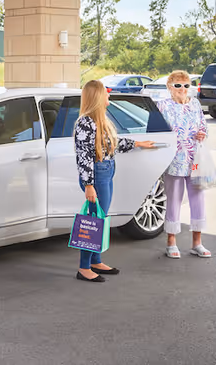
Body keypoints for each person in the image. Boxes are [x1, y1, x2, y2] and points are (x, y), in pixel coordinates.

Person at [74, 80, 155, 282]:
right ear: (97, 97)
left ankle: (95, 260)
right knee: (93, 221)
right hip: (97, 175)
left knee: (100, 219)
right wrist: (89, 185)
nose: (109, 97)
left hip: (106, 171)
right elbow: (83, 157)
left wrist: (138, 143)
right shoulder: (85, 123)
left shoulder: (101, 120)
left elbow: (112, 145)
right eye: (106, 94)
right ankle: (84, 268)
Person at [155, 70, 210, 259]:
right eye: (178, 85)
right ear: (169, 87)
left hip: (195, 159)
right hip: (174, 160)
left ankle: (197, 243)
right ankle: (171, 242)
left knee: (198, 199)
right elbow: (156, 132)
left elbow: (204, 127)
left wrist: (202, 134)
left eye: (186, 85)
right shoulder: (162, 106)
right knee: (174, 200)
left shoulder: (195, 105)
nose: (182, 89)